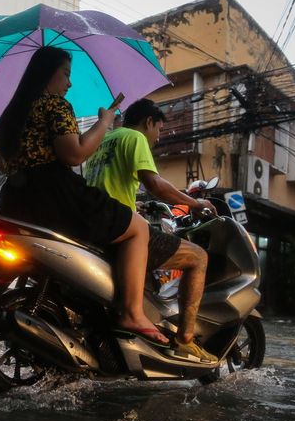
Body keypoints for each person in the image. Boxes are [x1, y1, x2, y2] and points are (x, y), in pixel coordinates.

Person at [0, 46, 168, 346]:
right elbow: (74, 154)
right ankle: (131, 313)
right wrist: (104, 122)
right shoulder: (55, 106)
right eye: (66, 74)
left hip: (14, 198)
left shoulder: (12, 113)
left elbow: (3, 163)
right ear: (48, 73)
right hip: (56, 196)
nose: (69, 83)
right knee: (138, 227)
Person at [85, 98, 218, 362]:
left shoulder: (102, 142)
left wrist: (137, 207)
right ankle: (185, 340)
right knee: (198, 257)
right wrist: (195, 202)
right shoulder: (135, 138)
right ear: (148, 122)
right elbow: (155, 183)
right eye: (158, 130)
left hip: (97, 224)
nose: (157, 138)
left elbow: (109, 186)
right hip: (120, 229)